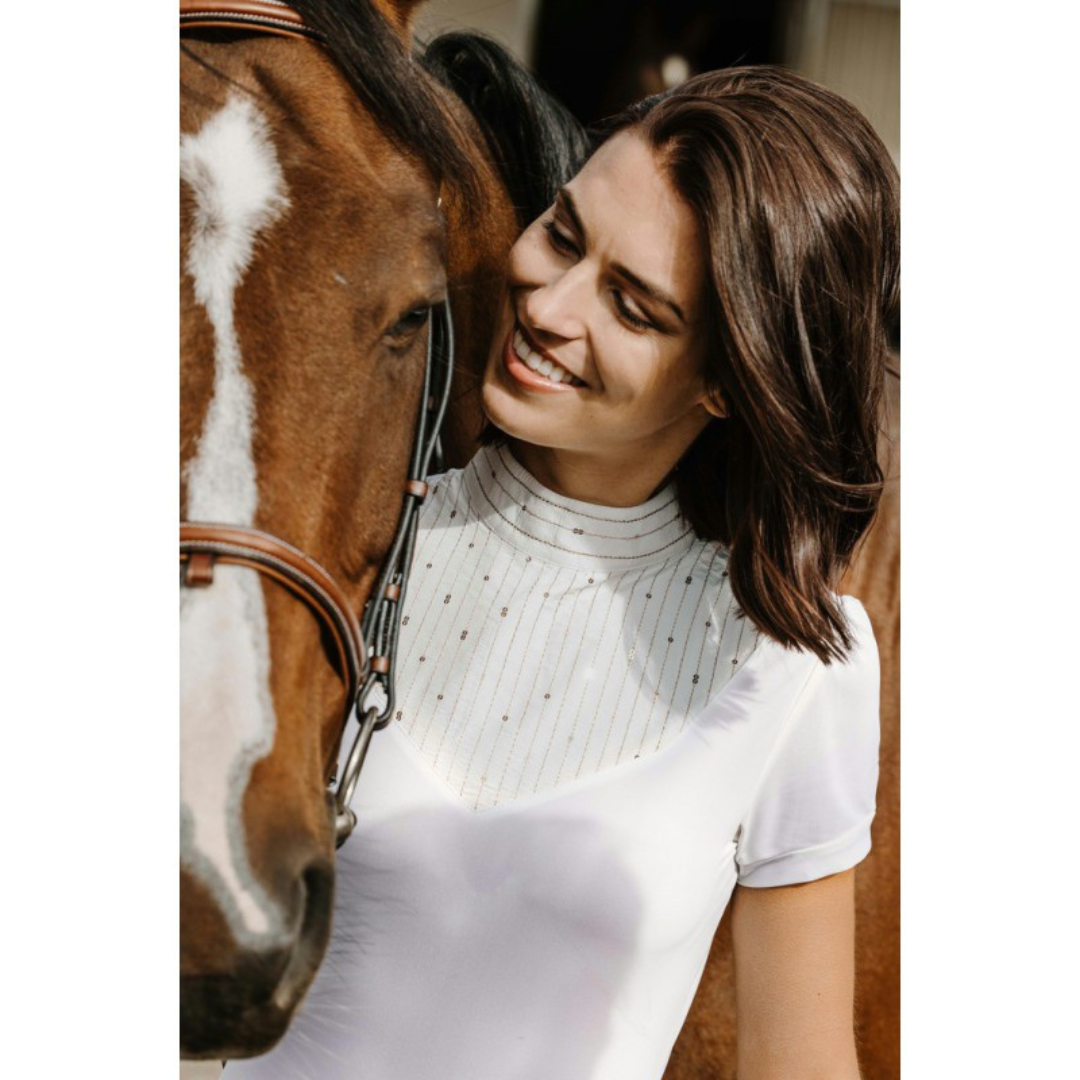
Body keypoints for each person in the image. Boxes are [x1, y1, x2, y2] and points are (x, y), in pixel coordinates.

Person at [228, 64, 898, 1080]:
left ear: (726, 379)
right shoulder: (342, 559)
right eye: (565, 234)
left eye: (634, 308)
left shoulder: (801, 668)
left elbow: (798, 1064)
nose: (549, 303)